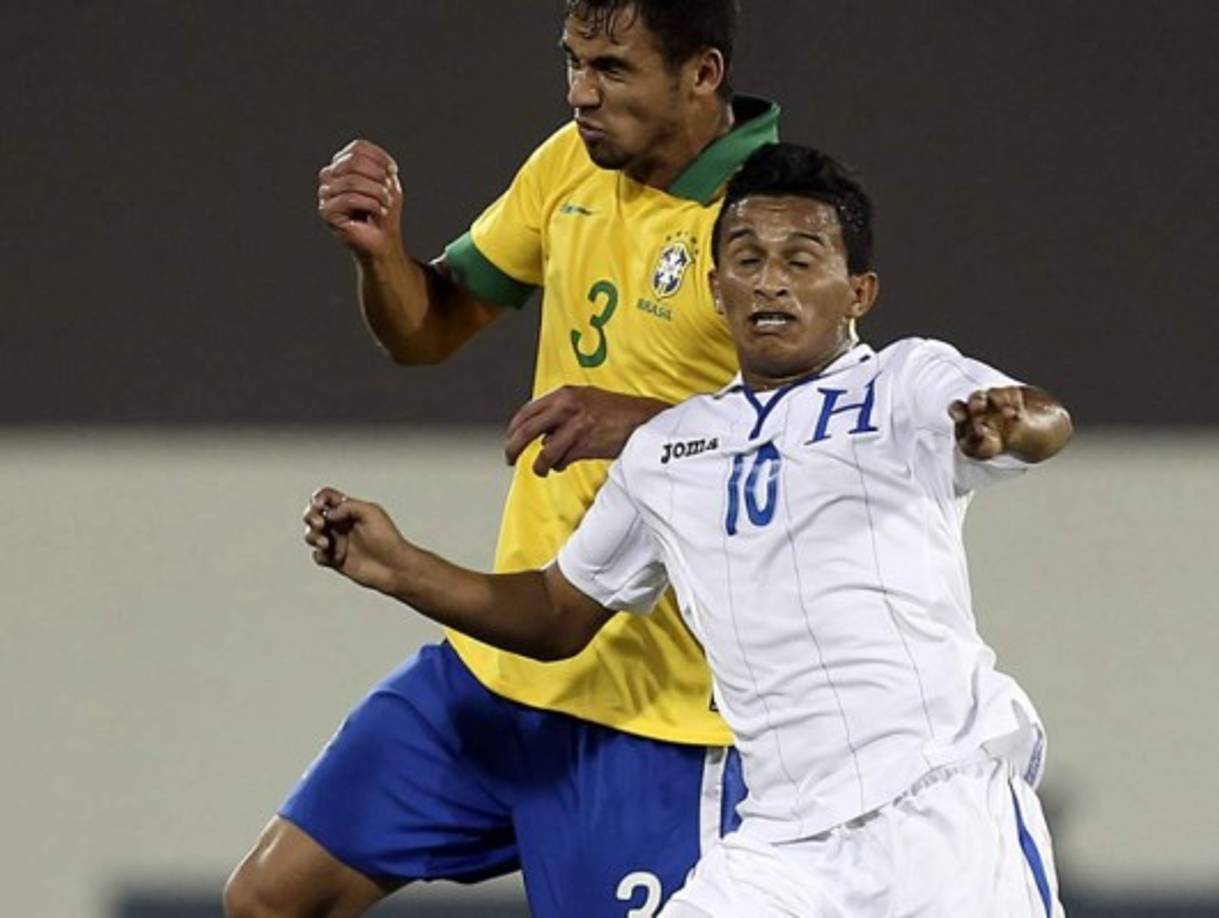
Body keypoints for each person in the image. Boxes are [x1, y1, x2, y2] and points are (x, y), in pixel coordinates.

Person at [299, 142, 1073, 916]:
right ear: (714, 286)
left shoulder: (905, 384)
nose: (770, 280)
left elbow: (1042, 420)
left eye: (801, 261)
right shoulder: (668, 449)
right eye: (746, 258)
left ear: (857, 292)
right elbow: (556, 613)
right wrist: (400, 567)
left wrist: (1005, 424)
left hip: (940, 813)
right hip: (782, 843)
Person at [225, 2, 783, 916]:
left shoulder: (770, 222)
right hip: (502, 666)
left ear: (702, 74)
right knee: (268, 900)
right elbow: (430, 327)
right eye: (570, 63)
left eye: (610, 69)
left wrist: (639, 423)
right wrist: (380, 253)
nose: (580, 95)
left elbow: (813, 440)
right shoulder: (569, 164)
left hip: (659, 714)